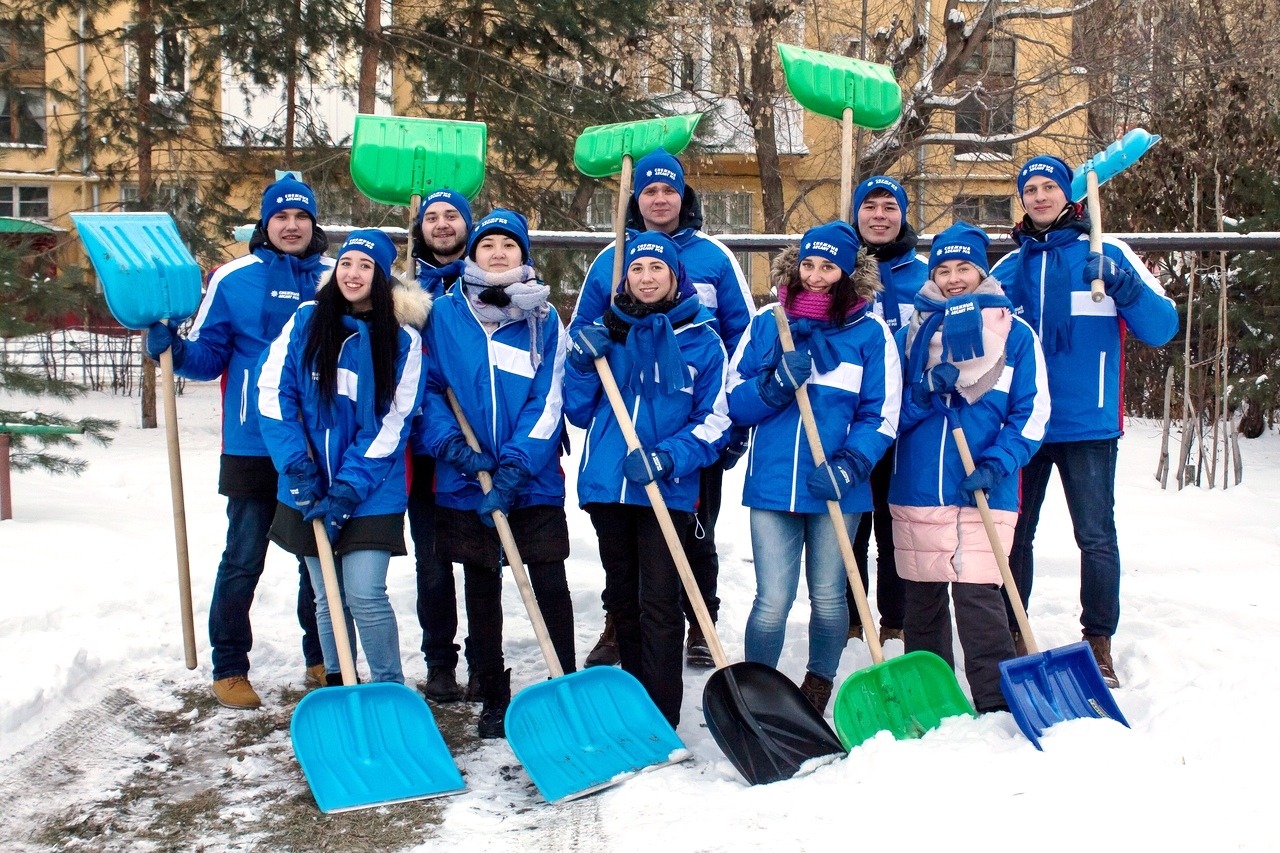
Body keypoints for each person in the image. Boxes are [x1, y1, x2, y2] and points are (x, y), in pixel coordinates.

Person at [989, 155, 1178, 687]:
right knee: (1013, 535)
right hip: (1023, 426)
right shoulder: (1007, 270)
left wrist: (1126, 289)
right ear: (1022, 200)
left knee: (1095, 536)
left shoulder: (1107, 254)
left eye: (1051, 186)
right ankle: (1013, 631)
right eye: (1032, 189)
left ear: (1069, 195)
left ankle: (1099, 642)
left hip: (1087, 423)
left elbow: (1163, 328)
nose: (1041, 196)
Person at [144, 175, 330, 709]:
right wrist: (174, 350)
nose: (291, 226)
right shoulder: (233, 279)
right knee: (244, 556)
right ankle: (229, 666)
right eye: (281, 217)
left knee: (313, 556)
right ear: (265, 224)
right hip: (251, 441)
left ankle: (321, 655)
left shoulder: (333, 278)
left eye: (301, 217)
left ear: (313, 224)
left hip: (316, 442)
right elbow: (209, 359)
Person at [571, 148, 754, 669]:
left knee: (696, 530)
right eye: (649, 191)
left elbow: (741, 339)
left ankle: (700, 620)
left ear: (682, 196)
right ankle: (620, 624)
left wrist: (730, 426)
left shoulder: (714, 259)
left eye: (668, 189)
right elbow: (585, 336)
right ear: (637, 200)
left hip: (694, 420)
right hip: (626, 423)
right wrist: (586, 352)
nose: (658, 199)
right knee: (631, 557)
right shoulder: (610, 260)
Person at [725, 221, 900, 714]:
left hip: (836, 488)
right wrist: (775, 385)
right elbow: (734, 401)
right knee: (771, 600)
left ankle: (817, 685)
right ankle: (758, 692)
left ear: (847, 273)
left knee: (827, 596)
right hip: (774, 486)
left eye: (829, 267)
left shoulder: (871, 333)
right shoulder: (768, 322)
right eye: (808, 264)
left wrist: (850, 465)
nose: (817, 276)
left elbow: (882, 414)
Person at [418, 208, 576, 738]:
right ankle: (490, 686)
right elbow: (429, 388)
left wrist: (513, 466)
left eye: (510, 245)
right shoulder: (443, 314)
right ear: (472, 254)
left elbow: (549, 399)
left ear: (524, 255)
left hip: (531, 479)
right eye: (488, 245)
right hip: (465, 479)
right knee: (480, 586)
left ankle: (563, 678)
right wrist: (451, 447)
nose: (499, 253)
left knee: (549, 580)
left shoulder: (545, 319)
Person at [562, 232, 730, 727]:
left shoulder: (703, 339)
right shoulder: (604, 334)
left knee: (659, 600)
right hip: (609, 487)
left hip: (666, 489)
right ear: (626, 278)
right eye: (637, 269)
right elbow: (576, 410)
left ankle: (662, 714)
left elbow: (715, 421)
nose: (647, 277)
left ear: (676, 277)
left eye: (658, 269)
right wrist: (579, 362)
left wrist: (668, 458)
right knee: (624, 599)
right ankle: (635, 707)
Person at [889, 222, 1050, 713]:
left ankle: (994, 702)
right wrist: (920, 395)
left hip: (985, 487)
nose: (954, 277)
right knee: (923, 603)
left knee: (981, 600)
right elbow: (886, 411)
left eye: (964, 268)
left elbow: (1034, 411)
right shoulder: (911, 334)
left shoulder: (1016, 334)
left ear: (982, 272)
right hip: (919, 484)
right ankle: (932, 699)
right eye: (943, 268)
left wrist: (998, 463)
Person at [256, 229, 427, 686]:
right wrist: (298, 468)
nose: (353, 274)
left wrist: (349, 487)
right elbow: (274, 395)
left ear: (382, 277)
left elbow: (394, 422)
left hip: (371, 488)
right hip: (307, 482)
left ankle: (389, 687)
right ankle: (341, 683)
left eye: (365, 266)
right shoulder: (306, 320)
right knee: (326, 596)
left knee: (365, 593)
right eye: (346, 263)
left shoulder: (404, 342)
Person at [845, 175, 929, 644]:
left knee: (895, 526)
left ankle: (895, 622)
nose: (879, 215)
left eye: (889, 206)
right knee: (853, 525)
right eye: (870, 206)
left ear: (902, 214)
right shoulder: (841, 274)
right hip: (853, 424)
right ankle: (852, 622)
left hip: (908, 424)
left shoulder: (925, 277)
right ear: (856, 213)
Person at [405, 189, 473, 703]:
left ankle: (485, 658)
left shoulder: (486, 281)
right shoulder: (404, 286)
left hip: (480, 443)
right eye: (432, 217)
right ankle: (440, 661)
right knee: (431, 562)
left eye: (452, 215)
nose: (443, 224)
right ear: (420, 227)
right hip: (425, 450)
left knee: (479, 557)